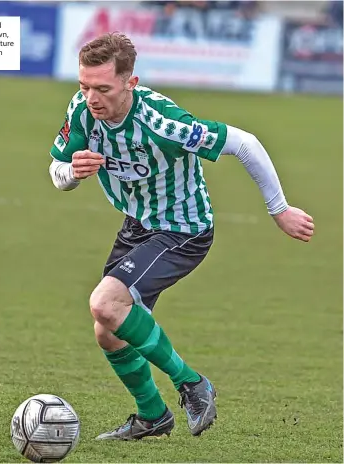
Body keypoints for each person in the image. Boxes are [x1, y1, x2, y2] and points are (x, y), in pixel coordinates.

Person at [48, 32, 314, 440]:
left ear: (130, 83)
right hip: (137, 225)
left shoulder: (163, 122)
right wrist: (72, 173)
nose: (91, 97)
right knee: (107, 327)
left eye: (102, 88)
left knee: (105, 303)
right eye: (84, 86)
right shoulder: (82, 111)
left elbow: (245, 143)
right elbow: (58, 172)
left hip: (182, 229)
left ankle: (192, 383)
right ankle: (153, 416)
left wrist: (279, 209)